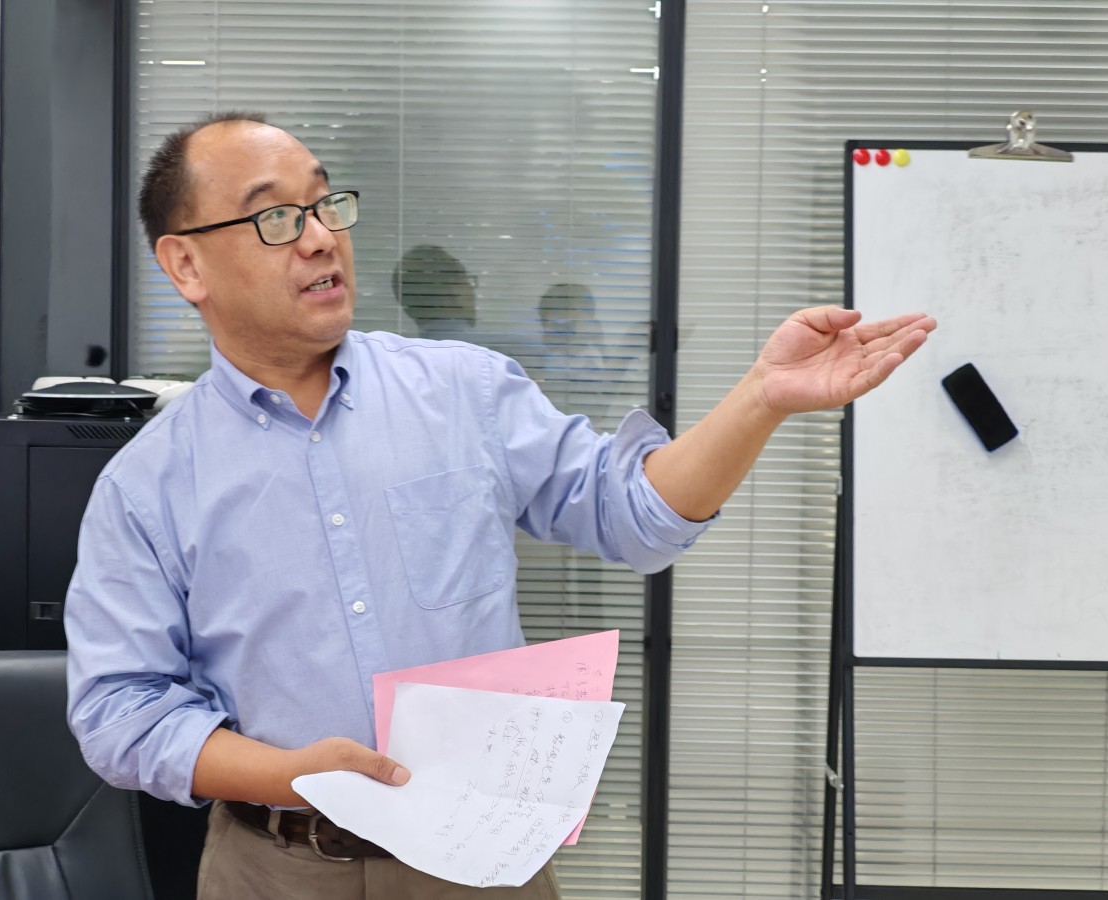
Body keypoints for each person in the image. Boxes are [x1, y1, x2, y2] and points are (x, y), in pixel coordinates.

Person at [64, 112, 935, 899]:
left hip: (480, 859)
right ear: (185, 264)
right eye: (277, 218)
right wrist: (287, 774)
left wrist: (762, 398)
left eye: (327, 205)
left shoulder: (462, 392)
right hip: (275, 868)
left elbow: (632, 512)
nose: (321, 238)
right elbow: (120, 712)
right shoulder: (147, 485)